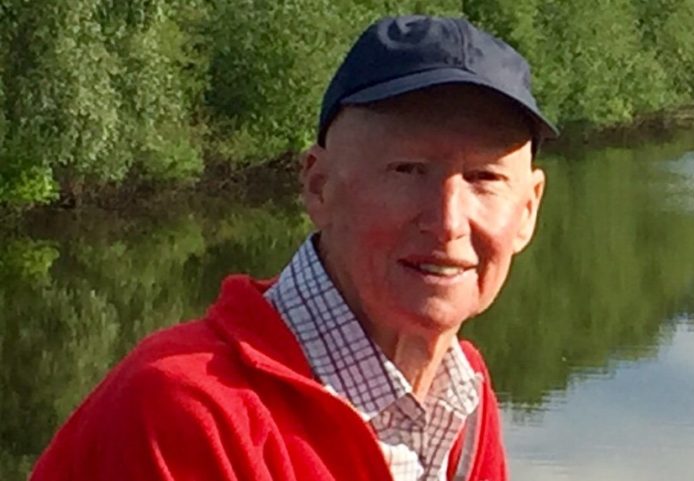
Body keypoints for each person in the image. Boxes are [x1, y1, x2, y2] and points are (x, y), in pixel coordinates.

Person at [30, 14, 557, 481]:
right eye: (407, 170)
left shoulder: (459, 391)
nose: (447, 222)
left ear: (528, 209)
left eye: (483, 178)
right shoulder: (187, 410)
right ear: (318, 186)